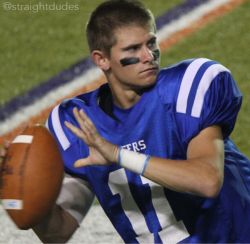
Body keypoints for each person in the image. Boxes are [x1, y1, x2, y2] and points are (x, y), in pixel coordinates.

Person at [1, 0, 250, 243]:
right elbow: (57, 233)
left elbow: (207, 181)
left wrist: (118, 155)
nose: (148, 55)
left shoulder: (184, 91)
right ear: (102, 59)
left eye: (151, 43)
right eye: (133, 49)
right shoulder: (77, 122)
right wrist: (21, 188)